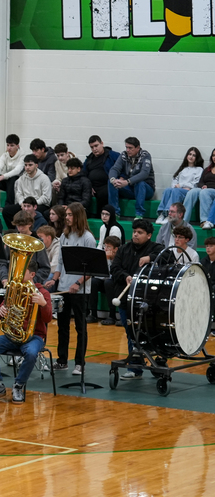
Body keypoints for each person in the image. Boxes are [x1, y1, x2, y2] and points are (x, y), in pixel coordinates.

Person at [0, 257, 53, 404]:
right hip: (12, 335)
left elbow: (48, 318)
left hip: (34, 336)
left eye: (21, 271)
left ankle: (18, 386)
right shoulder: (13, 289)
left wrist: (43, 304)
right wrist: (1, 311)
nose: (17, 274)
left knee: (31, 353)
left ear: (32, 275)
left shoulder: (42, 292)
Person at [111, 219, 163, 375]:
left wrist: (150, 258)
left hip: (148, 300)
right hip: (126, 299)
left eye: (139, 232)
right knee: (131, 334)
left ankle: (158, 363)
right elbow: (115, 268)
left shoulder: (156, 248)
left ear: (148, 235)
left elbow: (168, 257)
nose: (135, 234)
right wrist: (125, 276)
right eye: (134, 231)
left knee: (153, 333)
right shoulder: (124, 249)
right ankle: (135, 367)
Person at [53, 203, 95, 374]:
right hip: (64, 288)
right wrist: (55, 278)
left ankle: (80, 363)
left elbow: (91, 267)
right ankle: (62, 360)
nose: (67, 218)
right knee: (62, 326)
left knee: (80, 327)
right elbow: (61, 261)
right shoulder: (64, 235)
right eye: (66, 215)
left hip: (80, 291)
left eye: (70, 215)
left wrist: (77, 283)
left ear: (77, 216)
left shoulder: (88, 238)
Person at [108, 137, 155, 220]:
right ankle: (115, 213)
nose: (128, 150)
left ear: (138, 148)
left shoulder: (145, 155)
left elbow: (144, 173)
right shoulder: (124, 155)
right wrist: (113, 179)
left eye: (130, 148)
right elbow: (115, 168)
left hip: (146, 189)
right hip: (131, 188)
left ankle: (139, 214)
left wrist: (128, 181)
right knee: (111, 182)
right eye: (126, 147)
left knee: (139, 183)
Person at [2, 155, 52, 228]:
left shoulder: (44, 178)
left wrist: (32, 205)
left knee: (42, 212)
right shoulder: (21, 178)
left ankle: (34, 232)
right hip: (24, 203)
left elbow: (46, 197)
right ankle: (16, 230)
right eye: (25, 165)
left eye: (30, 165)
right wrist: (23, 204)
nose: (27, 167)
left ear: (36, 165)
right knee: (7, 211)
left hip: (39, 204)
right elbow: (19, 194)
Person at [156, 147, 203, 224]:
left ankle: (169, 214)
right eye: (190, 154)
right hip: (178, 189)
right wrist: (176, 185)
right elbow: (175, 180)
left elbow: (195, 184)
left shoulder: (199, 169)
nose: (191, 157)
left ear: (197, 158)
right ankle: (162, 214)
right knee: (168, 190)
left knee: (176, 190)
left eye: (194, 155)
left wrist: (181, 185)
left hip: (188, 192)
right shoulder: (183, 168)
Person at [90, 236, 121, 325]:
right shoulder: (102, 256)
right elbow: (99, 275)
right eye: (105, 246)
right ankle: (93, 314)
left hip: (115, 284)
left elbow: (112, 276)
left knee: (108, 283)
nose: (105, 249)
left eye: (108, 247)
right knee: (94, 282)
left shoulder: (120, 258)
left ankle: (112, 315)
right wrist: (106, 260)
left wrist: (107, 260)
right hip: (105, 282)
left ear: (116, 249)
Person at [0, 134, 23, 205]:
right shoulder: (5, 155)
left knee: (13, 179)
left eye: (12, 145)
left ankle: (9, 206)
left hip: (18, 182)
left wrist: (2, 176)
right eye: (8, 145)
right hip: (7, 179)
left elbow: (17, 171)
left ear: (17, 146)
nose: (9, 148)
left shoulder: (23, 156)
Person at [188, 149, 215, 229]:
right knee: (201, 191)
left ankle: (208, 220)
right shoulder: (207, 169)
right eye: (213, 155)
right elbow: (200, 182)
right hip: (207, 190)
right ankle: (204, 221)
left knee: (205, 192)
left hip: (212, 190)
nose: (214, 157)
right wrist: (203, 185)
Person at [36, 225, 61, 290]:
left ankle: (46, 298)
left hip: (56, 274)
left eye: (41, 237)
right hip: (43, 271)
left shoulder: (58, 246)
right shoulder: (39, 245)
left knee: (48, 277)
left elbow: (55, 267)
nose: (38, 240)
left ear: (49, 237)